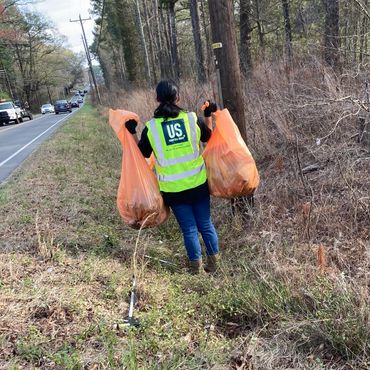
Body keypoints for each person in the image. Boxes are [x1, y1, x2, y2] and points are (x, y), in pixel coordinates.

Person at [125, 80, 219, 274]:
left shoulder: (152, 128)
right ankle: (214, 264)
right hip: (198, 184)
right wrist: (208, 115)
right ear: (178, 98)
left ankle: (196, 269)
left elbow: (141, 153)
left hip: (173, 190)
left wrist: (132, 131)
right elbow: (209, 138)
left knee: (189, 229)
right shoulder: (192, 119)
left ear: (157, 99)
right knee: (206, 224)